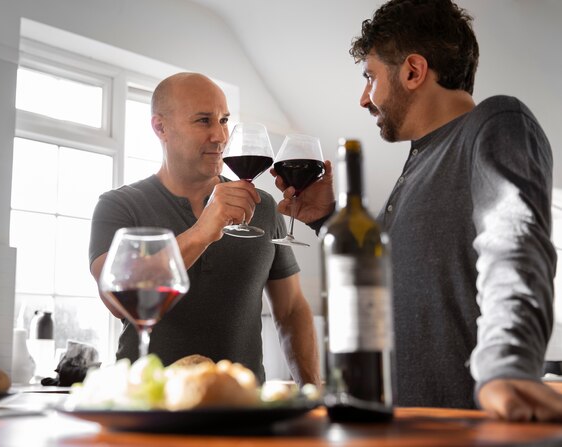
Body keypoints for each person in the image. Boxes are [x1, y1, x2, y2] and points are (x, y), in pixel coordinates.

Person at [272, 0, 562, 421]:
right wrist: (327, 219)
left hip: (465, 430)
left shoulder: (495, 123)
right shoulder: (419, 163)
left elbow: (514, 246)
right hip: (399, 427)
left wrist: (508, 364)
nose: (363, 99)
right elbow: (403, 279)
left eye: (370, 77)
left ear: (412, 71)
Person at [89, 72, 320, 387]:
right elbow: (118, 301)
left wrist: (315, 391)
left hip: (244, 410)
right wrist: (202, 231)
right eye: (203, 121)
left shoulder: (262, 207)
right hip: (148, 406)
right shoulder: (119, 206)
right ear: (161, 127)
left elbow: (291, 309)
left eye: (224, 120)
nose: (220, 136)